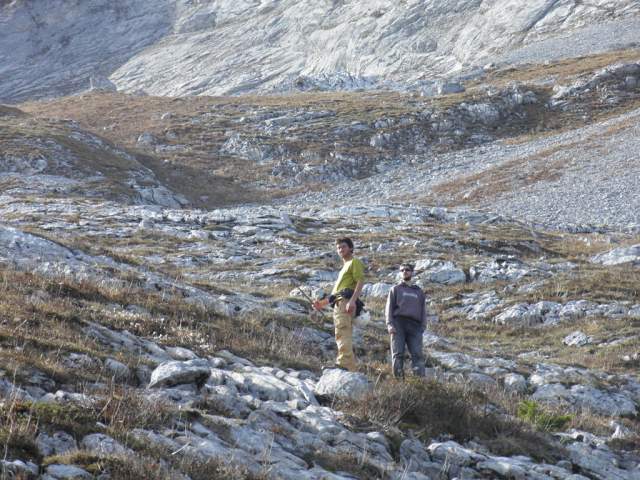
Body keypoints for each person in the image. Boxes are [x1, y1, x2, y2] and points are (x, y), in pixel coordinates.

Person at [313, 237, 365, 371]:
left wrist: (352, 301)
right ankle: (350, 367)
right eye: (338, 248)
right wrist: (321, 304)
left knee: (342, 332)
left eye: (343, 246)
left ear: (351, 248)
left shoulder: (354, 262)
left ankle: (343, 364)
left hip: (345, 302)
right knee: (341, 333)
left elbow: (360, 282)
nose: (340, 249)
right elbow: (336, 294)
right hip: (339, 301)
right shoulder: (344, 268)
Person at [385, 263, 426, 378]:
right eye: (402, 270)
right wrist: (389, 324)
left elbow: (423, 309)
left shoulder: (419, 291)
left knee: (417, 355)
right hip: (398, 323)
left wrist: (423, 326)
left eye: (407, 270)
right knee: (398, 354)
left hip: (415, 326)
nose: (404, 272)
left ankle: (419, 382)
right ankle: (399, 381)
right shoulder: (395, 289)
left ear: (412, 272)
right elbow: (389, 308)